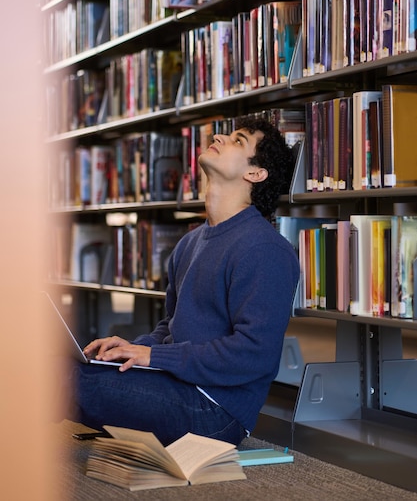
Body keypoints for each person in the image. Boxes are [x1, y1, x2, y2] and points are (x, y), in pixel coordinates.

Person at [76, 116, 300, 446]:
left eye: (239, 141)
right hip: (173, 383)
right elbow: (171, 328)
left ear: (255, 173)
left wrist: (156, 358)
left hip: (215, 410)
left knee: (61, 380)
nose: (221, 137)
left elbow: (255, 354)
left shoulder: (266, 249)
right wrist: (133, 349)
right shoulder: (191, 242)